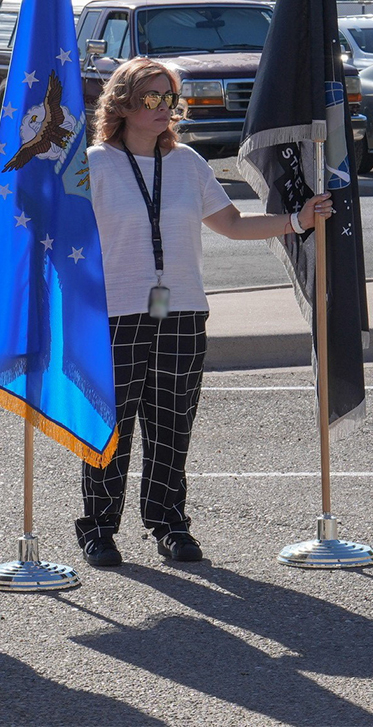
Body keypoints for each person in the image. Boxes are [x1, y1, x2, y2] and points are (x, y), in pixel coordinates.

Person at [76, 57, 332, 567]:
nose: (163, 109)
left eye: (170, 99)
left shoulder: (188, 163)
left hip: (182, 311)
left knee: (172, 426)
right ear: (123, 103)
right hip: (114, 315)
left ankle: (168, 524)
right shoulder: (94, 164)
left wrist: (297, 220)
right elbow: (64, 241)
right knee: (109, 428)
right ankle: (99, 529)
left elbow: (233, 224)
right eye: (152, 98)